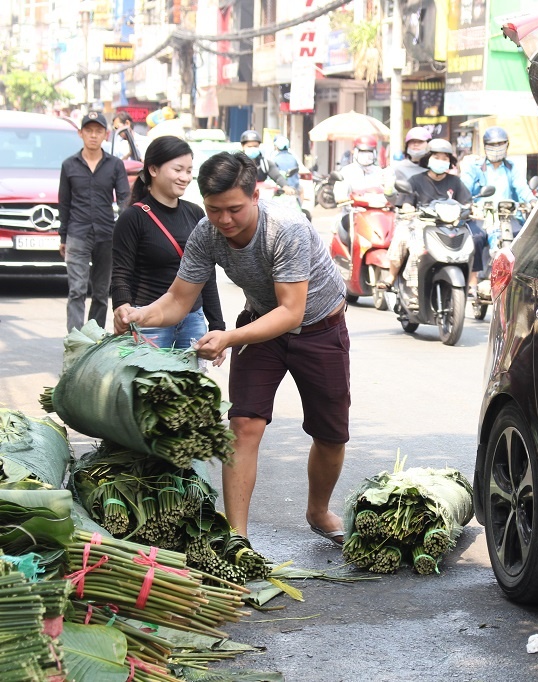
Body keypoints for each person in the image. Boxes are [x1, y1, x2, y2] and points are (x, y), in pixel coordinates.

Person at [114, 151, 351, 544]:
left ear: (255, 195)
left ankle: (318, 510)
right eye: (213, 209)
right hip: (260, 324)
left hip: (319, 328)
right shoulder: (206, 234)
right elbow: (177, 301)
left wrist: (227, 336)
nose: (224, 220)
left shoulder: (285, 228)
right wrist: (137, 314)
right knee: (243, 425)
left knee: (330, 436)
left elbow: (291, 313)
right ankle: (236, 538)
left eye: (234, 209)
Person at [110, 136, 226, 349]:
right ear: (153, 170)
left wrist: (217, 325)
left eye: (189, 171)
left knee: (189, 383)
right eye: (178, 169)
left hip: (193, 321)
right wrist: (122, 308)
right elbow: (121, 273)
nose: (185, 177)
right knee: (150, 382)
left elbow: (206, 275)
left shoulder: (196, 213)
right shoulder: (133, 217)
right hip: (148, 322)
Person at [59, 110, 131, 333]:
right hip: (77, 234)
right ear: (81, 133)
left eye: (98, 131)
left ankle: (93, 338)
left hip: (106, 235)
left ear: (106, 134)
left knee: (101, 293)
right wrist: (63, 237)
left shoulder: (115, 165)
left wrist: (125, 234)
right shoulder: (69, 165)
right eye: (88, 131)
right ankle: (75, 339)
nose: (93, 135)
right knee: (77, 290)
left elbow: (124, 199)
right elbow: (64, 203)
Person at [380, 138, 471, 289]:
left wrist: (472, 209)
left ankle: (469, 284)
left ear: (450, 162)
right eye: (436, 157)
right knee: (406, 239)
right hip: (419, 225)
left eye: (445, 158)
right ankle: (392, 276)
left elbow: (466, 202)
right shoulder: (416, 180)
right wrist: (408, 208)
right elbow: (407, 202)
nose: (440, 161)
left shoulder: (455, 182)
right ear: (428, 158)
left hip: (449, 228)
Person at [460, 127, 536, 294]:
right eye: (492, 144)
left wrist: (532, 201)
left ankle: (518, 282)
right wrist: (469, 204)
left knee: (523, 240)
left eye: (500, 143)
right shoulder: (475, 167)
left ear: (507, 145)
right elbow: (464, 189)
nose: (497, 147)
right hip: (481, 215)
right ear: (485, 146)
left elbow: (521, 187)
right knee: (475, 239)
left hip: (508, 215)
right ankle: (473, 280)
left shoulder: (512, 167)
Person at [240, 130, 295, 194]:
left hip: (260, 196)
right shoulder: (236, 163)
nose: (253, 149)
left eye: (255, 146)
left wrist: (285, 186)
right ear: (242, 146)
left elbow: (277, 176)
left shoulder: (264, 164)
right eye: (249, 146)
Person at [387, 127, 431, 206]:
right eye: (412, 141)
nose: (416, 144)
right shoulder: (398, 168)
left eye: (420, 141)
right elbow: (392, 198)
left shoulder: (434, 168)